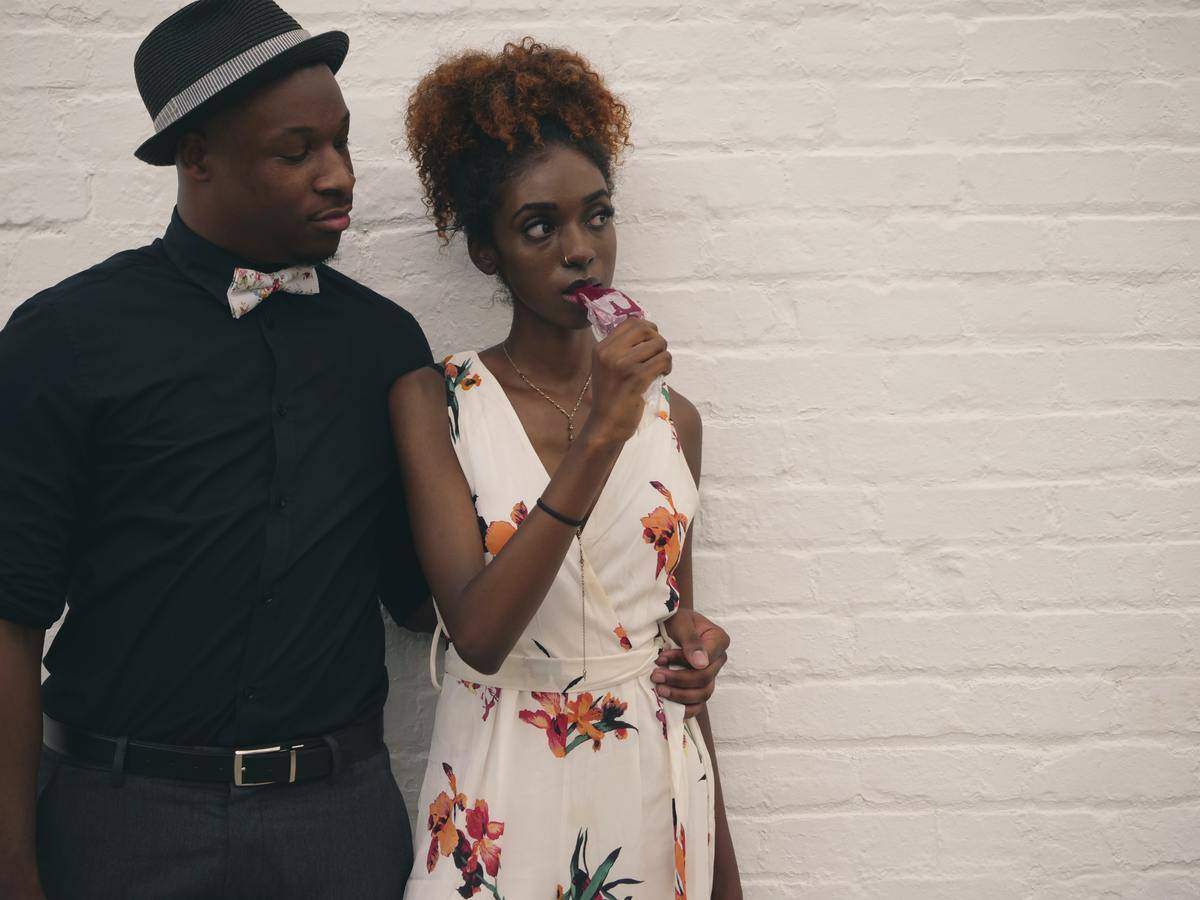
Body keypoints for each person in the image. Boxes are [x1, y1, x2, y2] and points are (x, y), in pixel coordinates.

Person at [0, 4, 732, 898]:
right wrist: (13, 867)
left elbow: (425, 604)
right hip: (121, 817)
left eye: (342, 144)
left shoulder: (383, 350)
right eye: (297, 150)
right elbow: (10, 614)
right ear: (196, 155)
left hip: (332, 824)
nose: (338, 175)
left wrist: (648, 624)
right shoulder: (63, 340)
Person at [391, 40, 742, 898]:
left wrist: (725, 871)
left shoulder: (675, 419)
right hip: (501, 786)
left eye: (597, 214)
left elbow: (675, 647)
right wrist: (597, 439)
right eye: (539, 227)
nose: (581, 250)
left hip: (653, 784)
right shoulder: (433, 402)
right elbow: (475, 632)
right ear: (486, 252)